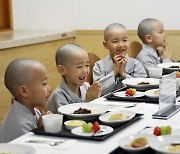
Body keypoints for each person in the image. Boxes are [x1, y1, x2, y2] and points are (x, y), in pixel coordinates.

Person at [0, 59, 51, 143]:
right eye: (44, 83)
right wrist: (42, 130)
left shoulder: (33, 110)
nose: (49, 88)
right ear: (24, 91)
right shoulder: (20, 124)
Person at [93, 23, 147, 96]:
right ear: (105, 45)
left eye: (124, 40)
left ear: (129, 41)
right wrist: (114, 72)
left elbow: (144, 87)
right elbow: (98, 91)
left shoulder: (135, 64)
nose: (121, 45)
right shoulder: (99, 66)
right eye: (115, 41)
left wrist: (124, 74)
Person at [46, 44, 102, 114]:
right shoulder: (59, 95)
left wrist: (97, 99)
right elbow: (70, 121)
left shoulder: (86, 87)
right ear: (62, 70)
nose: (85, 70)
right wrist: (89, 102)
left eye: (87, 65)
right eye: (79, 66)